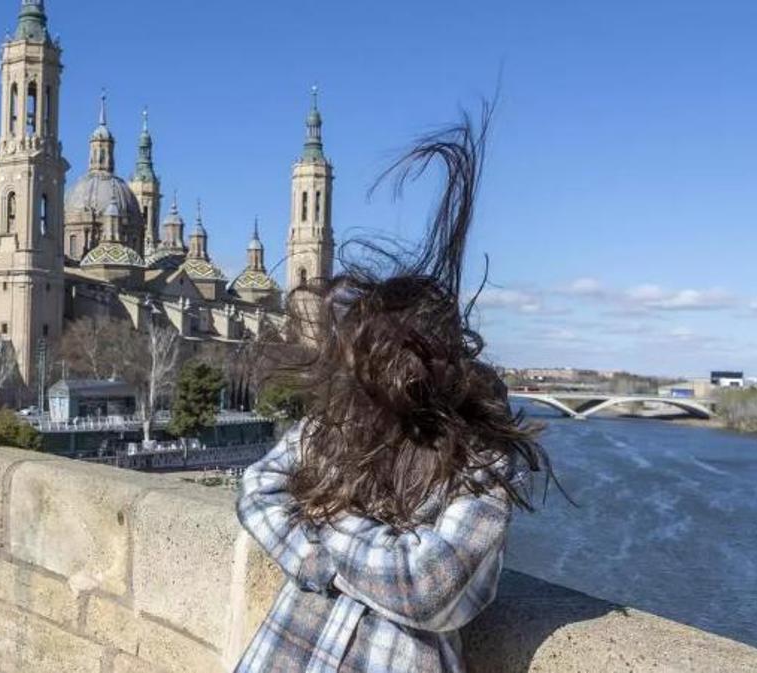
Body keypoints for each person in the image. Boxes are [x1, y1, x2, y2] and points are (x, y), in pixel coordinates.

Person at [235, 107, 550, 673]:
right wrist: (364, 547)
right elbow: (258, 487)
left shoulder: (482, 463)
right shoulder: (340, 426)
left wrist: (321, 536)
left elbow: (426, 584)